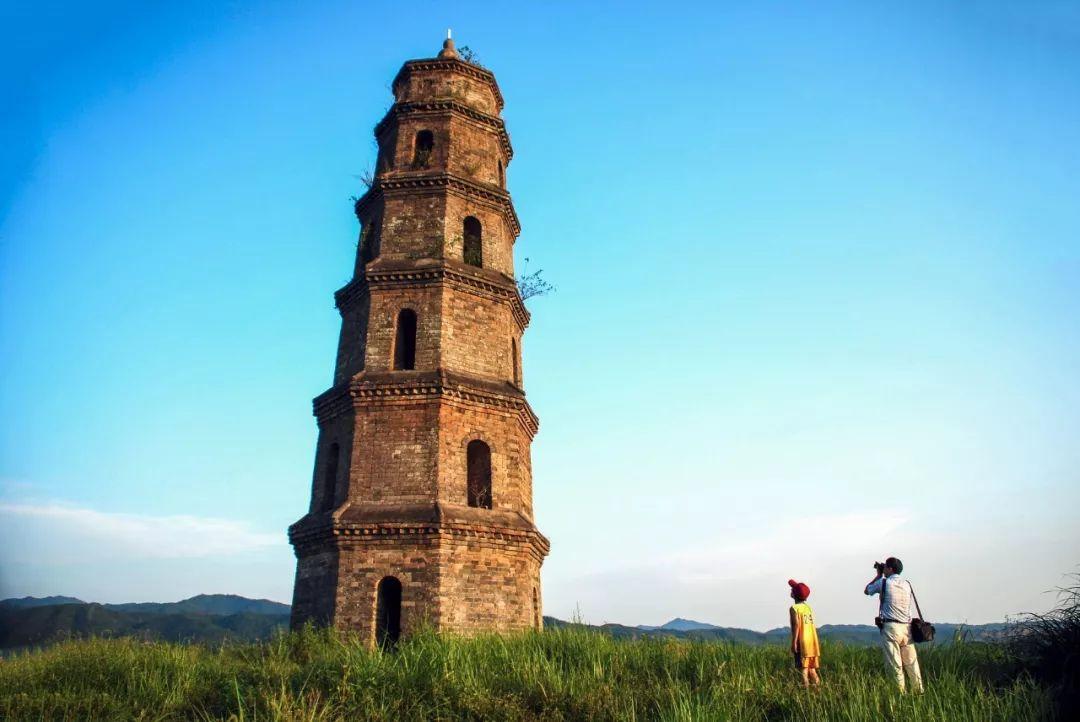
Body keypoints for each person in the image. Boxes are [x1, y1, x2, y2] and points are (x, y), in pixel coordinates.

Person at [864, 556, 924, 693]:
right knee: (912, 663)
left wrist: (878, 575)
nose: (884, 569)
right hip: (907, 628)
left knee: (894, 665)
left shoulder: (884, 582)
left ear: (890, 569)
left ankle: (900, 695)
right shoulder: (907, 584)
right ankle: (918, 692)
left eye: (885, 567)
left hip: (891, 628)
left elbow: (867, 590)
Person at [788, 579, 821, 687]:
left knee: (803, 670)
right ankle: (819, 691)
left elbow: (795, 625)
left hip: (802, 642)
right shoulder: (808, 608)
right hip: (812, 642)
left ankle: (806, 693)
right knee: (811, 669)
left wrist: (794, 643)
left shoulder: (794, 608)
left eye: (792, 589)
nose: (790, 590)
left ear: (794, 594)